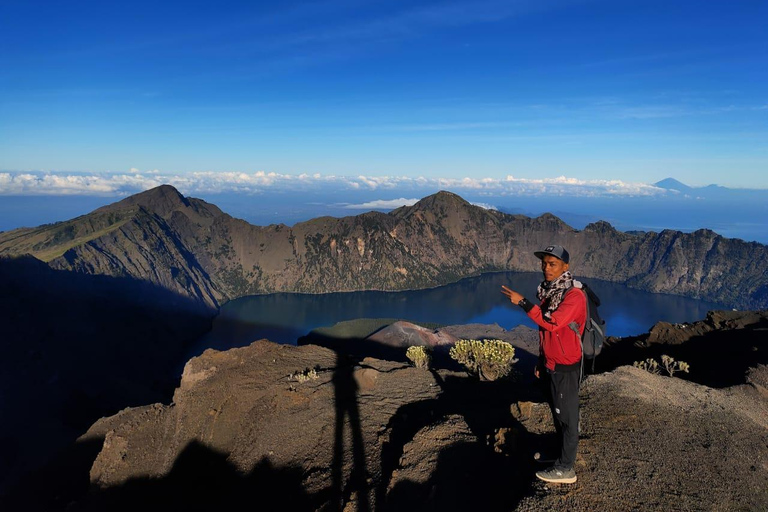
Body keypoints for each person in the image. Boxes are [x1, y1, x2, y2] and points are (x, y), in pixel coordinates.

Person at [501, 244, 586, 484]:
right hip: (552, 363)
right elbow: (545, 335)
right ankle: (559, 456)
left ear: (565, 267)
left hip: (566, 366)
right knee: (557, 413)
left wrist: (523, 303)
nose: (546, 268)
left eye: (553, 264)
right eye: (544, 263)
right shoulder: (550, 292)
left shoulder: (574, 296)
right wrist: (542, 359)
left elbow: (551, 323)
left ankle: (566, 468)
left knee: (568, 417)